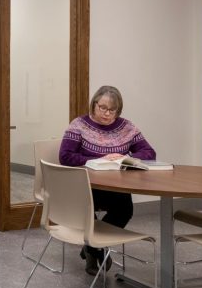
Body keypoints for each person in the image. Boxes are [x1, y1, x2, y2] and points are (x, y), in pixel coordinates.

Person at [58, 85, 156, 276]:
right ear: (94, 104)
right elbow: (65, 156)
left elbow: (149, 153)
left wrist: (123, 156)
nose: (107, 113)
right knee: (87, 210)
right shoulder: (79, 125)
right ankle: (97, 249)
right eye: (102, 107)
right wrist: (95, 160)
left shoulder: (126, 127)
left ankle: (92, 248)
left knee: (125, 209)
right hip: (84, 186)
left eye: (112, 110)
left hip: (114, 185)